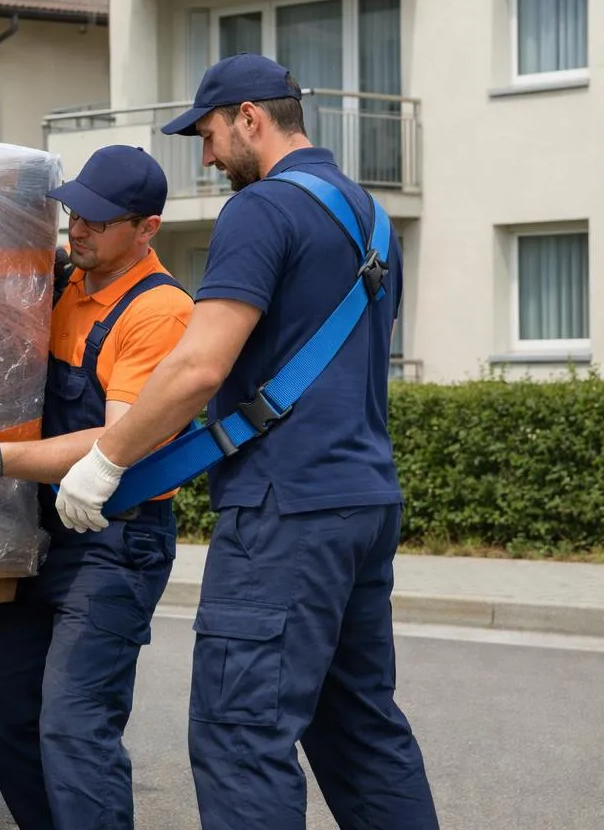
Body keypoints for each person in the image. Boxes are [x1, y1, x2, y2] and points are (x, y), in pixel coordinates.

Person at [56, 54, 439, 828]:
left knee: (239, 735)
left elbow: (199, 366)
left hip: (284, 513)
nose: (206, 157)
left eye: (208, 135)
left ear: (251, 120)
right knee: (361, 730)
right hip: (363, 501)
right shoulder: (369, 216)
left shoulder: (260, 211)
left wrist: (106, 459)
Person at [0, 145, 193, 829]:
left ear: (147, 229)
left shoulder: (159, 313)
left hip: (115, 545)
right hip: (46, 534)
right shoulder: (66, 281)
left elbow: (113, 443)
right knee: (1, 709)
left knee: (74, 728)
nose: (79, 228)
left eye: (98, 220)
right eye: (73, 212)